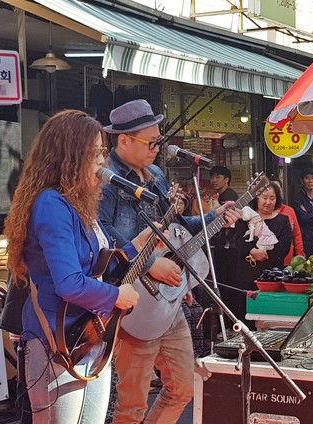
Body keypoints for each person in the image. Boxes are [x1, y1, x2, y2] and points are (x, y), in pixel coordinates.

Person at [3, 110, 155, 423]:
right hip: (56, 341)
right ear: (71, 155)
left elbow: (94, 265)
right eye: (97, 152)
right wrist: (116, 297)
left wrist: (136, 246)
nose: (103, 160)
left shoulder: (78, 203)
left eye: (103, 151)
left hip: (88, 336)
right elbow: (70, 283)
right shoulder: (51, 203)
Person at [99, 99, 241, 423]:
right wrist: (149, 265)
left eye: (159, 141)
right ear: (123, 140)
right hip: (131, 302)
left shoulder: (157, 175)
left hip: (168, 299)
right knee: (131, 404)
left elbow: (173, 227)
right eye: (151, 142)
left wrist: (211, 217)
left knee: (184, 387)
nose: (157, 147)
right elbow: (101, 235)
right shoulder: (107, 184)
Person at [233, 184, 293, 324]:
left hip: (271, 276)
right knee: (246, 315)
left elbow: (283, 247)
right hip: (246, 274)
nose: (268, 202)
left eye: (272, 198)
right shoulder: (245, 217)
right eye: (264, 197)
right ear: (256, 198)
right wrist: (253, 251)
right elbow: (238, 241)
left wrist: (263, 253)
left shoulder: (283, 220)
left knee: (268, 317)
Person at [209, 165, 239, 289]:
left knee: (227, 281)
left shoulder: (229, 196)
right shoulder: (219, 196)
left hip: (229, 246)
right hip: (221, 245)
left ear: (226, 180)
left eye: (218, 177)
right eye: (212, 177)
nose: (214, 180)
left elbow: (227, 222)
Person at [270, 179, 305, 265]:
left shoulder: (289, 211)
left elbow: (297, 235)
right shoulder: (259, 212)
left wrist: (300, 255)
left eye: (278, 189)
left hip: (288, 259)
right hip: (266, 259)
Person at [293, 167, 313, 257]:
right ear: (302, 181)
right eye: (307, 178)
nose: (310, 181)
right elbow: (303, 217)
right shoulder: (297, 198)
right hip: (304, 240)